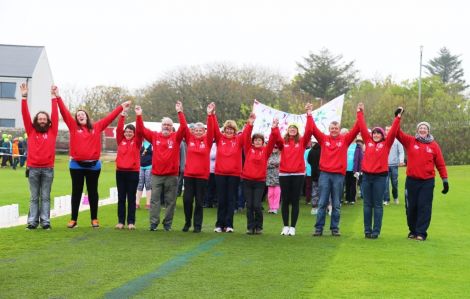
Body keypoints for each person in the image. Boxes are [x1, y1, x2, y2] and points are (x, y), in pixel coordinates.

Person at [57, 95, 130, 228]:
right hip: (76, 166)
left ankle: (94, 219)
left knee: (93, 192)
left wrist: (121, 107)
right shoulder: (73, 126)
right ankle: (73, 219)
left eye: (82, 114)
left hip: (93, 166)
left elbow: (109, 118)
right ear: (76, 118)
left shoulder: (97, 127)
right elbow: (63, 111)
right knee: (76, 191)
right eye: (78, 115)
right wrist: (57, 96)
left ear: (87, 116)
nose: (80, 116)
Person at [135, 102, 187, 231]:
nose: (166, 127)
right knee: (154, 200)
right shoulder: (154, 136)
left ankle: (167, 224)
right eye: (164, 124)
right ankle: (154, 223)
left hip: (172, 176)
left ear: (172, 127)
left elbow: (184, 128)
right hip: (157, 175)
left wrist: (180, 112)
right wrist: (139, 115)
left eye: (169, 125)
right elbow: (140, 130)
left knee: (170, 202)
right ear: (161, 126)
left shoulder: (176, 137)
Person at [396, 119, 448, 241]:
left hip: (427, 182)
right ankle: (412, 231)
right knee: (411, 206)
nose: (422, 129)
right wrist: (397, 118)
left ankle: (421, 232)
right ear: (417, 130)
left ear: (428, 131)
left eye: (425, 128)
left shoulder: (434, 145)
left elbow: (440, 164)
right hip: (412, 181)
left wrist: (444, 180)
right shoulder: (410, 141)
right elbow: (397, 133)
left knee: (424, 207)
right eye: (421, 128)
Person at [312, 107, 360, 237]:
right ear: (329, 129)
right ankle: (319, 228)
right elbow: (313, 129)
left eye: (336, 128)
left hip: (338, 175)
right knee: (322, 203)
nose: (334, 130)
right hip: (325, 175)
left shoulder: (345, 140)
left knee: (337, 204)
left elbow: (357, 128)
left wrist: (359, 112)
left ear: (339, 130)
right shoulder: (323, 139)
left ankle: (335, 228)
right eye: (332, 128)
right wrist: (309, 114)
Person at [357, 103, 402, 239]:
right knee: (367, 204)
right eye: (374, 133)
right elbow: (362, 127)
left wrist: (397, 118)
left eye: (378, 133)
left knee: (377, 205)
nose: (376, 135)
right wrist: (360, 112)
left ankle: (376, 231)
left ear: (382, 135)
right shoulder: (368, 141)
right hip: (367, 177)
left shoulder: (386, 144)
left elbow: (393, 131)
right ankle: (367, 230)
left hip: (380, 178)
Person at [21, 83, 59, 230]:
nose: (42, 121)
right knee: (34, 197)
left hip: (48, 169)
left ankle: (45, 222)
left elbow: (55, 115)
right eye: (40, 119)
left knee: (45, 197)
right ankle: (32, 222)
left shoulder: (52, 131)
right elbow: (25, 114)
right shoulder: (30, 131)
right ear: (36, 121)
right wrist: (24, 97)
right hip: (33, 169)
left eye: (44, 119)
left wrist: (53, 97)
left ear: (48, 121)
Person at [276, 104, 313, 236]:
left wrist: (309, 114)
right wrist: (274, 127)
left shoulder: (302, 142)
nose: (292, 130)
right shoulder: (283, 142)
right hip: (284, 174)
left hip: (298, 174)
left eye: (294, 128)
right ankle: (285, 226)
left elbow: (309, 131)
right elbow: (276, 137)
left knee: (295, 200)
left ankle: (293, 227)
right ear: (288, 130)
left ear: (297, 131)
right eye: (290, 128)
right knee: (285, 200)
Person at [212, 111, 251, 233]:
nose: (229, 131)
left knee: (231, 199)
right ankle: (219, 224)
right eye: (227, 129)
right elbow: (214, 128)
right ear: (224, 130)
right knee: (221, 199)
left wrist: (250, 124)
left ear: (235, 130)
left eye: (231, 129)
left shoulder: (239, 140)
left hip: (234, 175)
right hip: (220, 174)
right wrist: (212, 115)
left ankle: (229, 225)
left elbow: (246, 134)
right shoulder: (219, 139)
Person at [242, 115, 279, 234]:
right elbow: (246, 136)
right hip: (247, 181)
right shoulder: (248, 149)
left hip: (259, 182)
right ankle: (250, 227)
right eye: (255, 140)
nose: (257, 142)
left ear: (263, 142)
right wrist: (250, 124)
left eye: (260, 140)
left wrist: (274, 128)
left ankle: (258, 227)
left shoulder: (265, 151)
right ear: (253, 142)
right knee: (249, 205)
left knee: (257, 205)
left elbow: (273, 139)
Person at [181, 103, 215, 233]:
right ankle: (187, 221)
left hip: (202, 177)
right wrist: (180, 112)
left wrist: (209, 114)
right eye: (196, 130)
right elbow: (184, 127)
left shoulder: (207, 141)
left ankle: (197, 225)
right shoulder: (189, 139)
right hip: (189, 175)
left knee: (199, 202)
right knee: (187, 200)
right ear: (193, 131)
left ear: (204, 132)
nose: (198, 132)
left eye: (201, 130)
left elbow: (211, 129)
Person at [114, 108, 143, 230]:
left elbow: (140, 130)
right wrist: (122, 116)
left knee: (131, 198)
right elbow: (119, 129)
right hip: (120, 172)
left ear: (134, 133)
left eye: (131, 132)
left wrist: (138, 116)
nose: (128, 133)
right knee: (121, 198)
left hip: (133, 173)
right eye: (127, 131)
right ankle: (121, 221)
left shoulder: (137, 142)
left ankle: (131, 222)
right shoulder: (121, 140)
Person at [384, 125, 405, 205]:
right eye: (386, 130)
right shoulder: (383, 140)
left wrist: (401, 160)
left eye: (389, 130)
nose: (387, 131)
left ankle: (395, 197)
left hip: (394, 165)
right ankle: (386, 199)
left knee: (394, 183)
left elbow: (401, 151)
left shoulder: (397, 140)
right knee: (385, 184)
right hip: (385, 166)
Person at [136, 140, 153, 209]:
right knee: (140, 184)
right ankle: (137, 203)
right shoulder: (140, 143)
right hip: (140, 167)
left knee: (148, 184)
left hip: (149, 166)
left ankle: (148, 203)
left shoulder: (152, 145)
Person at [307, 139, 321, 214]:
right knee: (323, 191)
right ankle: (323, 207)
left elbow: (309, 160)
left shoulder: (311, 151)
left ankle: (314, 207)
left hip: (314, 173)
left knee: (315, 191)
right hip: (322, 173)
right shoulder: (323, 150)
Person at [266, 145, 281, 214]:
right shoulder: (268, 154)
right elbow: (266, 164)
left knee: (277, 193)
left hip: (278, 176)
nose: (274, 148)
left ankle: (275, 208)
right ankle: (271, 207)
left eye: (276, 147)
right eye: (273, 147)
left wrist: (271, 164)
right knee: (270, 194)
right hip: (269, 176)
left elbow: (280, 163)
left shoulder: (280, 154)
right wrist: (274, 165)